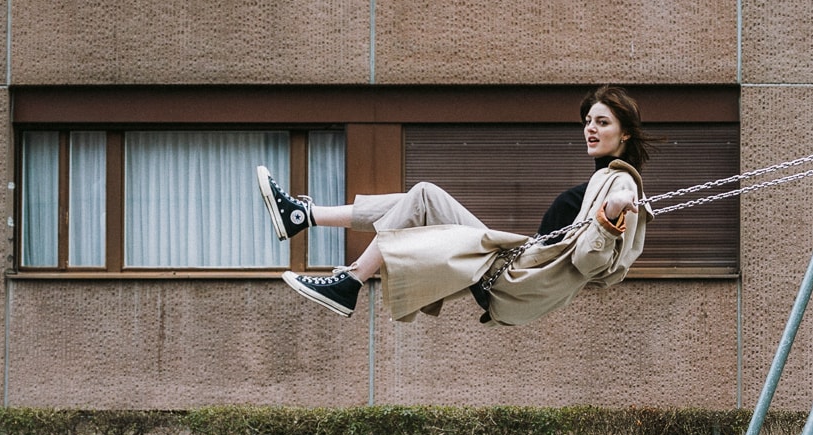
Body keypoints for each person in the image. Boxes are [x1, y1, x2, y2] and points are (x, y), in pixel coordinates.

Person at [256, 85, 653, 325]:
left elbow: (592, 264)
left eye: (601, 122)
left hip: (515, 277)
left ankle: (350, 281)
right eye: (588, 120)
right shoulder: (605, 180)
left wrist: (611, 215)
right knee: (413, 201)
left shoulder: (620, 182)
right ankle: (303, 216)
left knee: (426, 194)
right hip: (515, 268)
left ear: (625, 134)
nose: (589, 128)